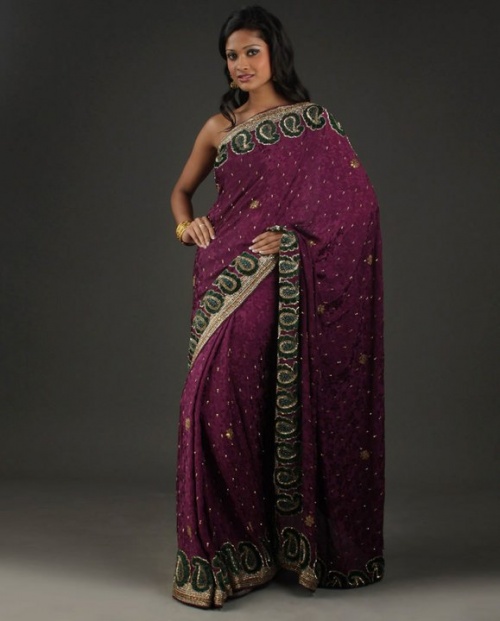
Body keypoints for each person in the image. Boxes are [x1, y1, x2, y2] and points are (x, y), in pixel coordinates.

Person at [170, 5, 385, 609]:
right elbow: (182, 192)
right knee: (209, 408)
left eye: (251, 52)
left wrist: (293, 241)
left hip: (275, 278)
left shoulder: (313, 123)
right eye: (231, 55)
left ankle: (274, 545)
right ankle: (228, 553)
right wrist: (186, 227)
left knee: (254, 405)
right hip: (219, 278)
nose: (241, 64)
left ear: (274, 54)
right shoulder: (218, 127)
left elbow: (358, 210)